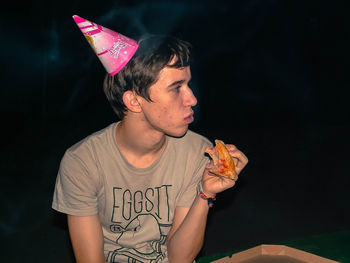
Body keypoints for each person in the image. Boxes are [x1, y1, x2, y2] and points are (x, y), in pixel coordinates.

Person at [52, 15, 248, 263]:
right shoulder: (82, 162)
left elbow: (179, 258)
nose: (192, 99)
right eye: (176, 87)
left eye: (188, 84)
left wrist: (205, 192)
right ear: (134, 101)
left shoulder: (198, 151)